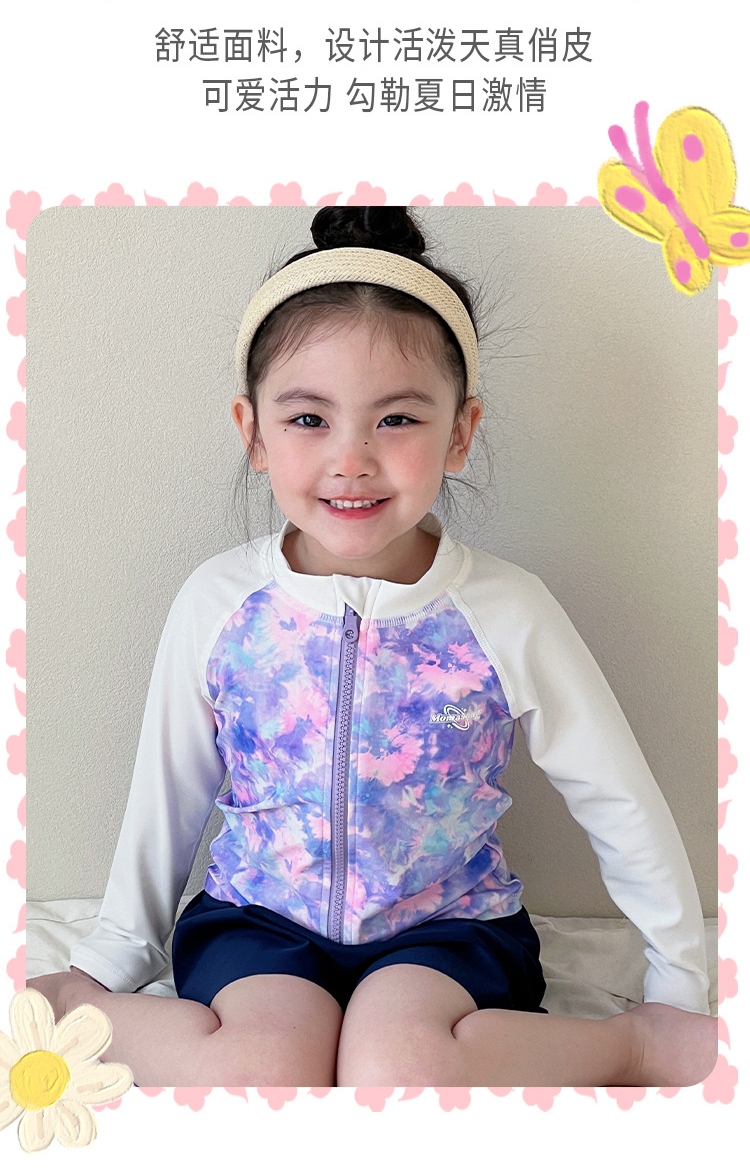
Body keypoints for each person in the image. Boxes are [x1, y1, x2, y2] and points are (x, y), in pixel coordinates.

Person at [29, 206, 716, 1088]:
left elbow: (616, 797)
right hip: (259, 922)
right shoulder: (219, 603)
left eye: (395, 419)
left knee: (396, 1063)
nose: (350, 458)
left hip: (450, 930)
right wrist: (111, 956)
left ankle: (634, 1048)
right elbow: (168, 797)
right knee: (265, 1066)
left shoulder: (507, 610)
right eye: (308, 419)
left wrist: (676, 979)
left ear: (459, 432)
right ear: (253, 431)